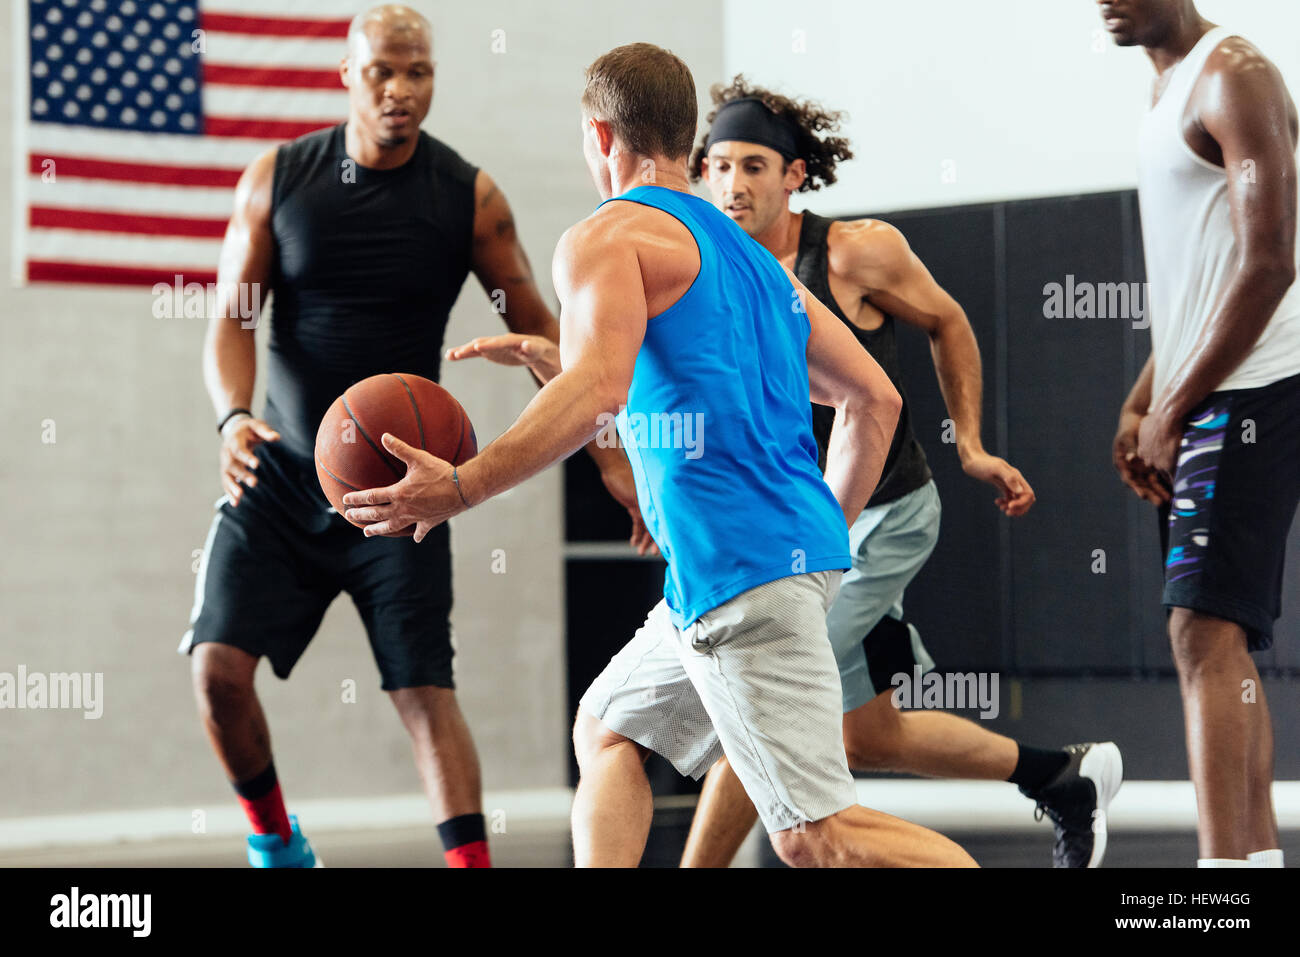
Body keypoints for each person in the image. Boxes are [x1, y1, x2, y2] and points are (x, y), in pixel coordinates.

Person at [341, 41, 977, 867]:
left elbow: (600, 390)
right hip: (749, 571)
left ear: (602, 135)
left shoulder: (604, 236)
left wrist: (461, 486)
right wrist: (815, 535)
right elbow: (873, 399)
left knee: (814, 835)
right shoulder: (755, 260)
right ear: (686, 141)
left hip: (740, 571)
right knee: (606, 728)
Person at [183, 4, 646, 868]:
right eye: (382, 72)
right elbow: (231, 318)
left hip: (405, 488)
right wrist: (233, 414)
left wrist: (616, 463)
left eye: (418, 72)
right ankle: (275, 840)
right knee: (215, 671)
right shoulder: (276, 180)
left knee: (425, 691)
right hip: (280, 470)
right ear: (347, 76)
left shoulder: (468, 198)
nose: (401, 90)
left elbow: (553, 341)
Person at [676, 78, 1122, 868]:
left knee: (759, 691)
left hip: (883, 514)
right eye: (716, 166)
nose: (733, 184)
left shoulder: (853, 251)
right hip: (801, 529)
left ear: (794, 176)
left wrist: (973, 443)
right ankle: (1063, 775)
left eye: (753, 165)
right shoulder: (711, 261)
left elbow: (947, 320)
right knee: (867, 732)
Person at [1100, 0, 1300, 867]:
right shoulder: (1170, 90)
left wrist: (1176, 406)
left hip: (1251, 392)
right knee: (1221, 633)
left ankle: (1219, 891)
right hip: (1211, 390)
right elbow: (1203, 276)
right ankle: (1251, 867)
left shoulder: (1234, 75)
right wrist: (1144, 397)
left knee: (1201, 632)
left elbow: (1271, 259)